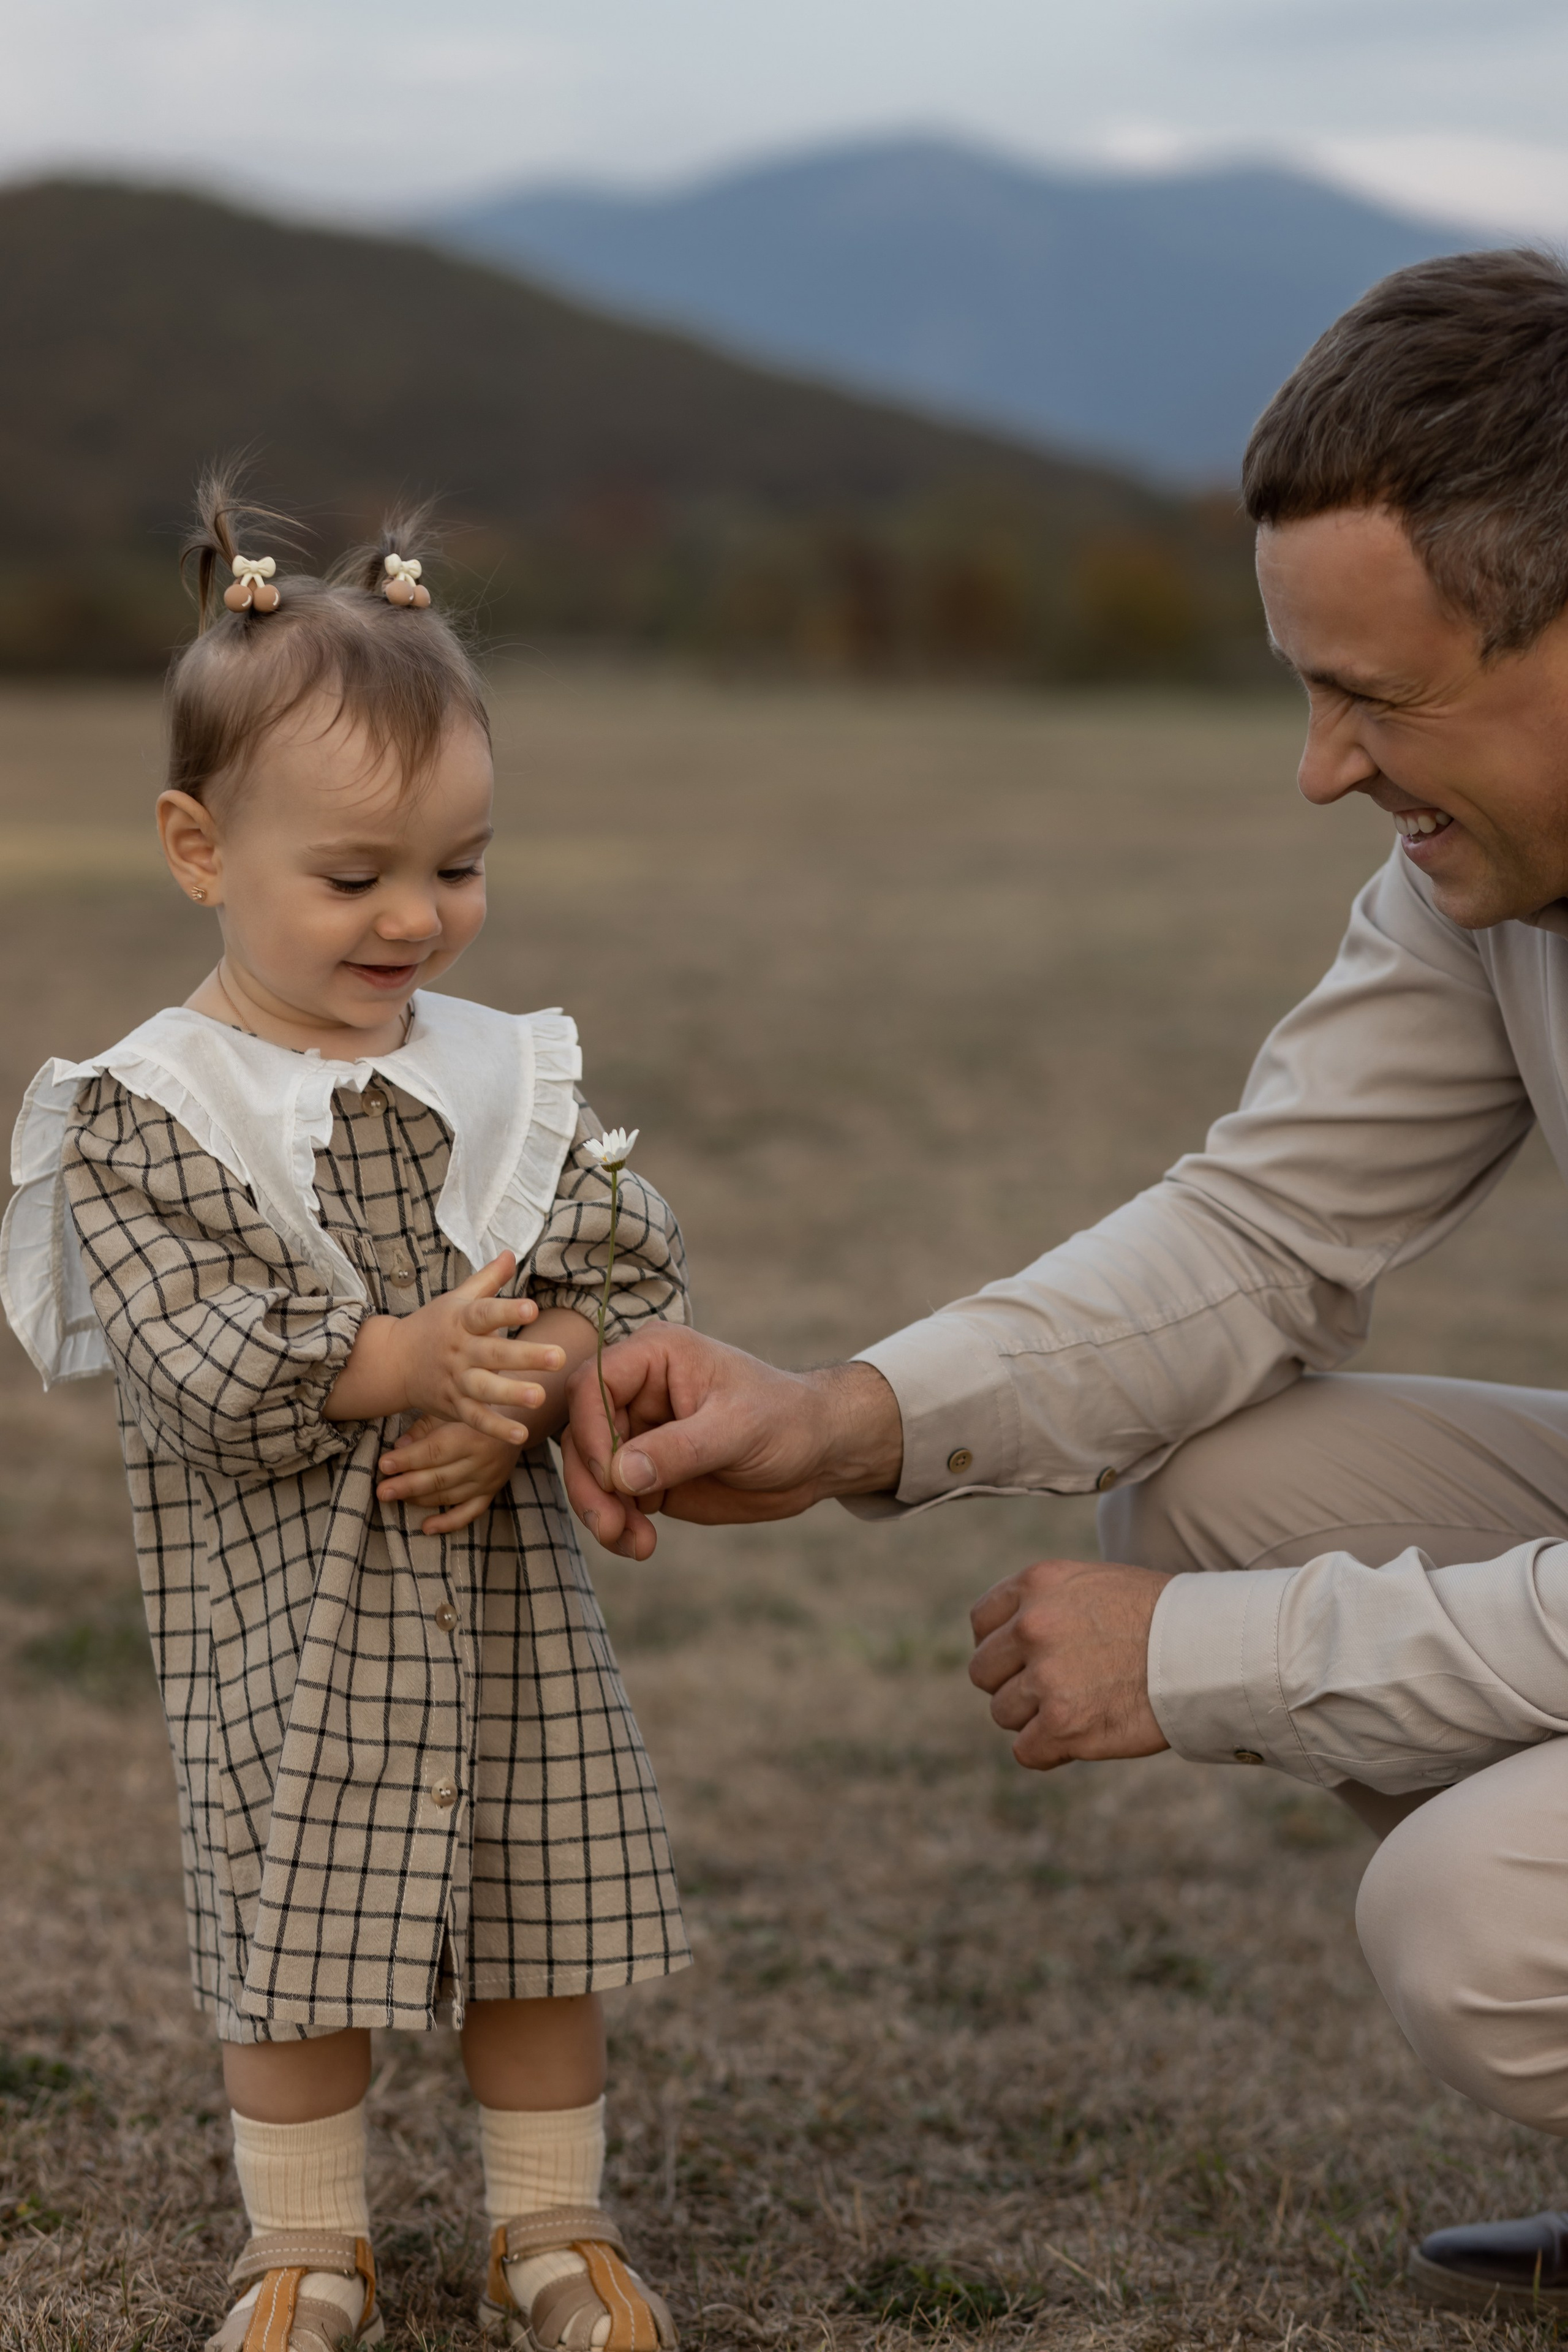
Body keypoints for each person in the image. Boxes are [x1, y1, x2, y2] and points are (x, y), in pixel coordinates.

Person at [562, 248, 1568, 2318]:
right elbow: (1259, 1232)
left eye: (1375, 698)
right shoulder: (1489, 883)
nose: (1320, 770)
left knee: (1486, 1918)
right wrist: (855, 1418)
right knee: (1222, 1488)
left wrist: (1202, 1664)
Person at [0, 473, 686, 2352]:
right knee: (295, 1942)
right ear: (198, 849)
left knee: (536, 1917)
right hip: (284, 1611)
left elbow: (625, 1261)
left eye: (458, 866)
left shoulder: (500, 1073)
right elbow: (193, 1353)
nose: (418, 919)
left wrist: (525, 1385)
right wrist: (397, 1373)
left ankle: (552, 2225)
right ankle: (308, 2246)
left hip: (503, 1614)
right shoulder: (158, 1107)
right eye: (358, 875)